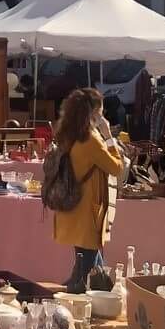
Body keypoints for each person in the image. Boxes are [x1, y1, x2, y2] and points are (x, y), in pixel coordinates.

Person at [45, 88, 126, 288]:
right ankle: (75, 304)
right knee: (84, 276)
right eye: (101, 112)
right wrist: (108, 136)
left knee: (92, 267)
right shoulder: (90, 139)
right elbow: (116, 167)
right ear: (94, 113)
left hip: (72, 207)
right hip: (87, 211)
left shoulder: (67, 134)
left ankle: (98, 295)